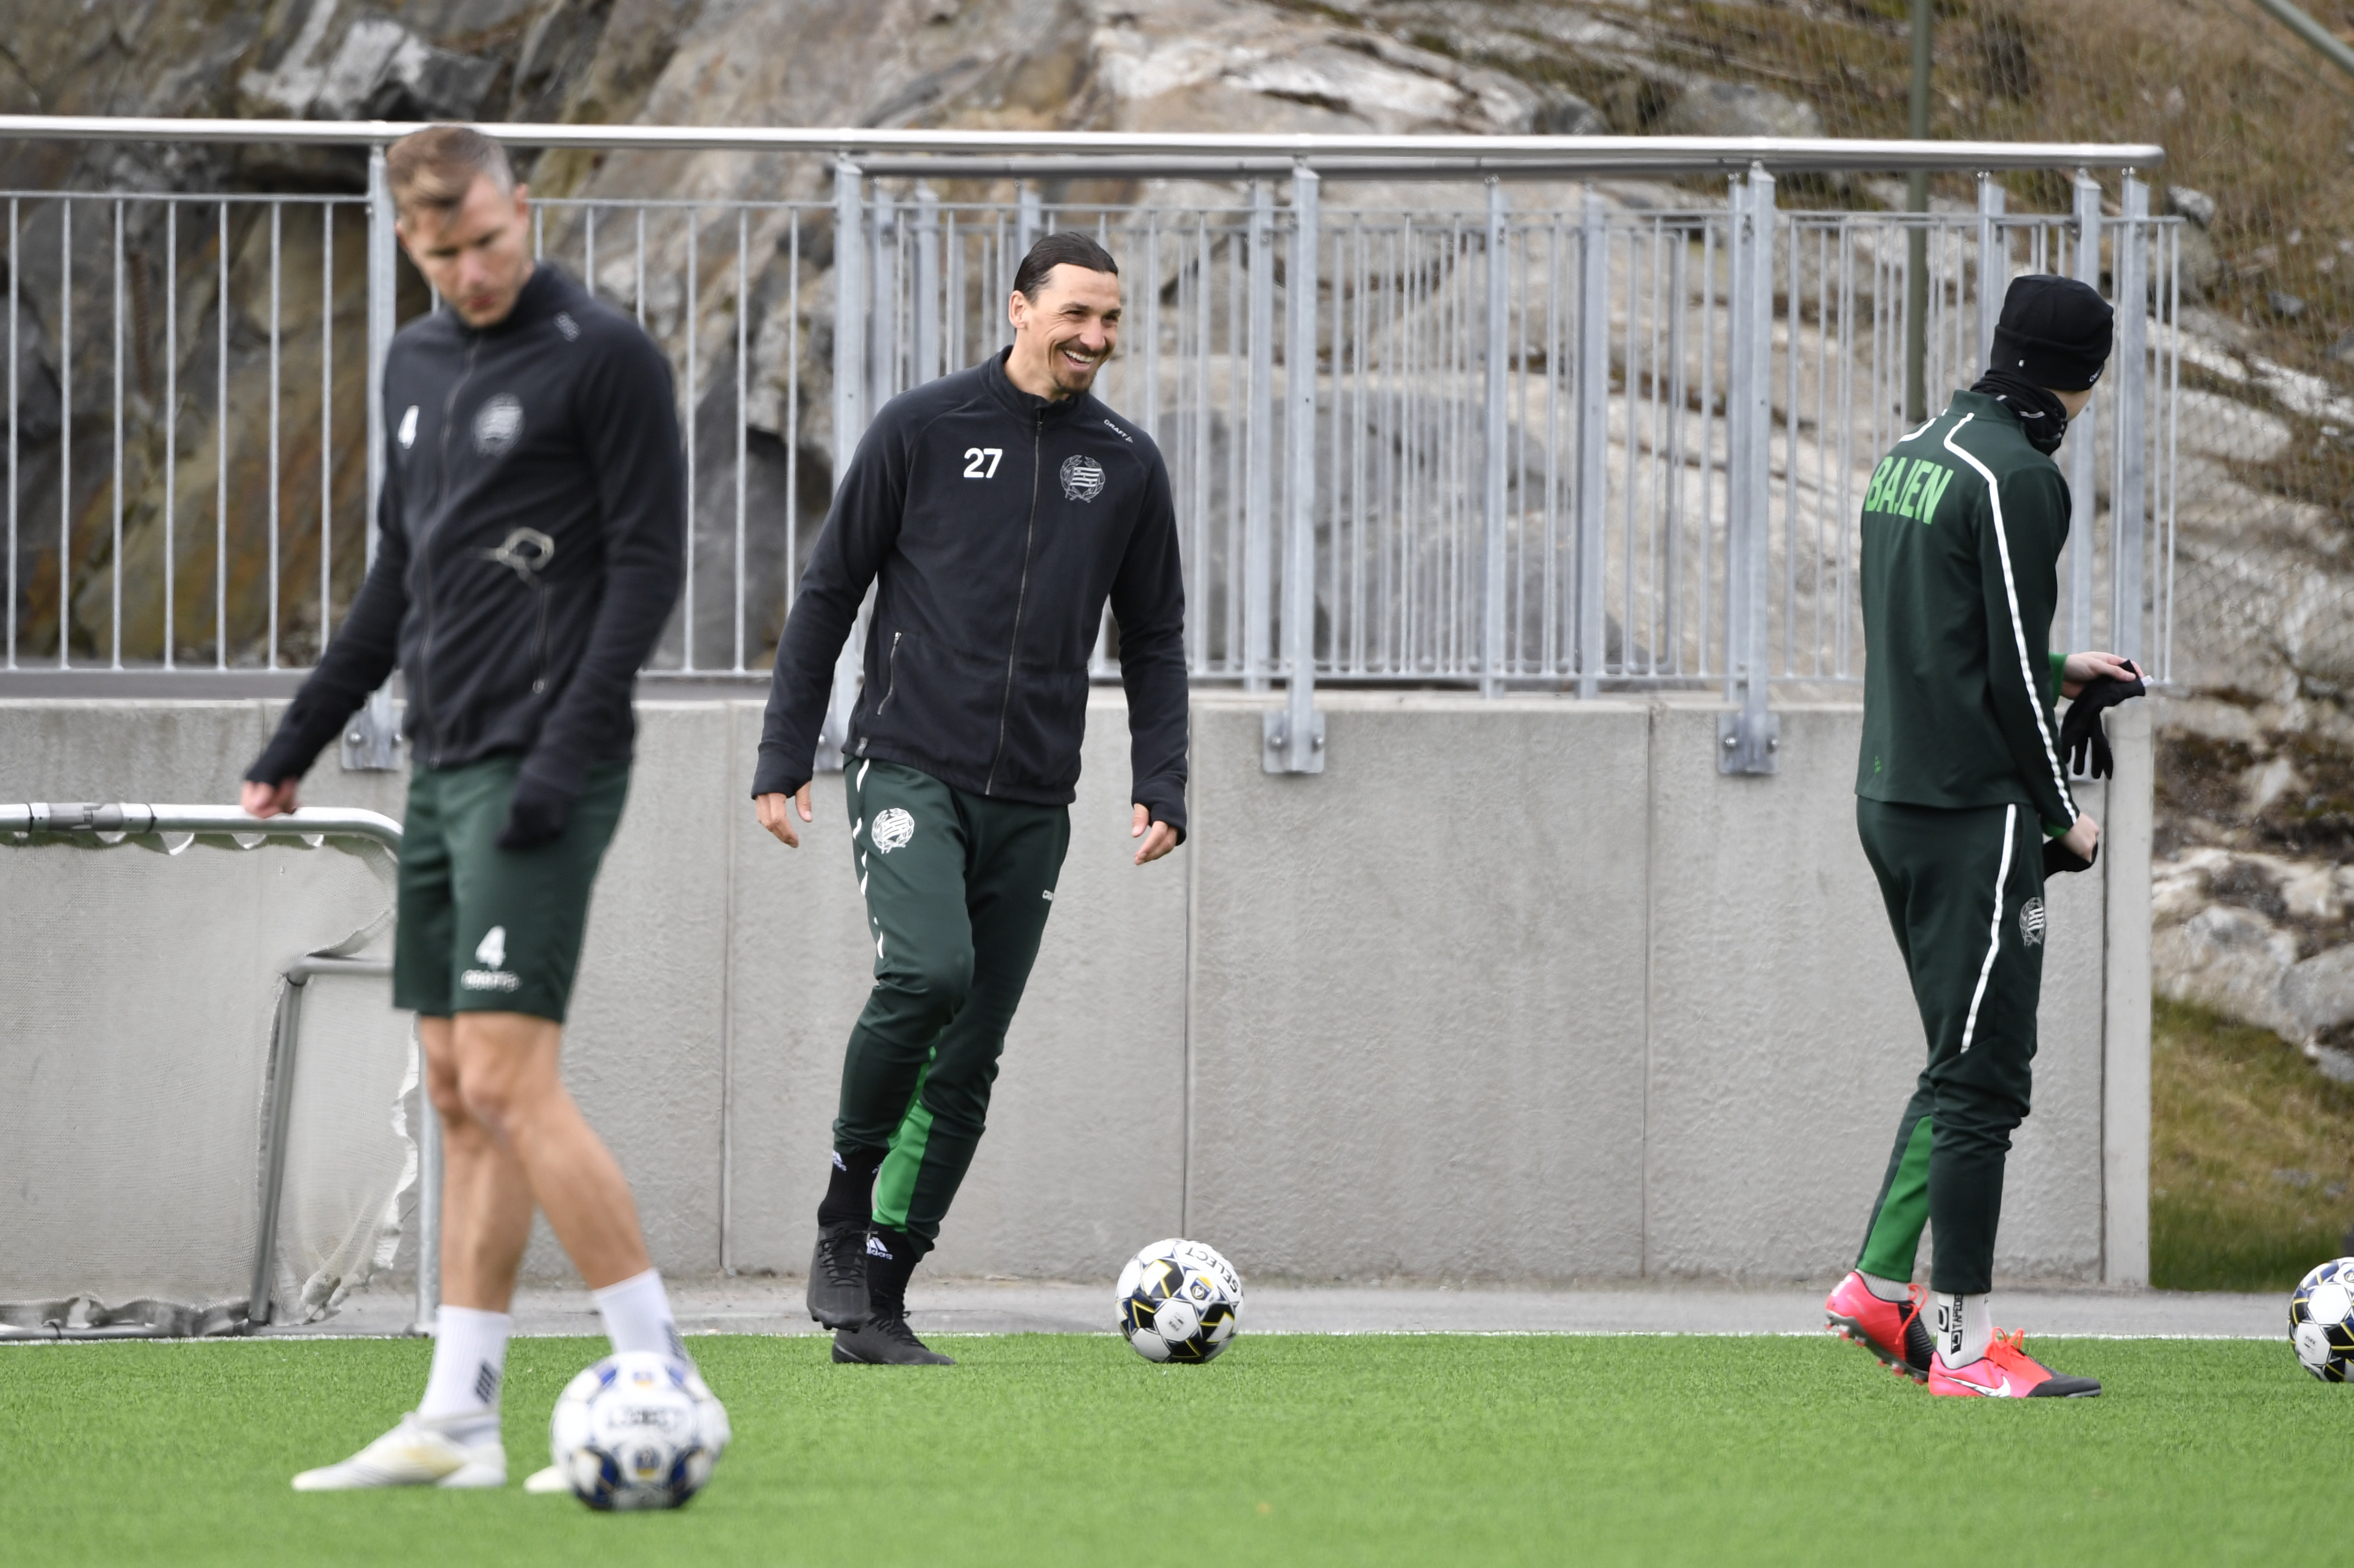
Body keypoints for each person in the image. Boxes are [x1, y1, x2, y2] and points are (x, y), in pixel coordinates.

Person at [242, 125, 690, 1485]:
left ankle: (663, 1379)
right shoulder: (417, 360)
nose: (475, 269)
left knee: (506, 1074)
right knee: (453, 1091)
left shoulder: (605, 353)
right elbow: (399, 574)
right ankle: (460, 1418)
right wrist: (296, 740)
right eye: (443, 252)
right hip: (441, 765)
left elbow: (648, 563)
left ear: (522, 208)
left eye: (491, 239)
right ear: (407, 242)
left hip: (543, 762)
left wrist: (563, 757)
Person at [752, 231, 1188, 1366]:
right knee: (926, 974)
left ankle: (880, 1300)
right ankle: (843, 1213)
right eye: (1074, 314)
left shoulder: (1127, 464)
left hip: (1035, 795)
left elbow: (1152, 635)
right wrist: (783, 751)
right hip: (906, 764)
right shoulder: (922, 428)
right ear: (1018, 308)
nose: (1093, 338)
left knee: (970, 1052)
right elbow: (830, 589)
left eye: (1110, 321)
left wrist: (1162, 779)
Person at [1822, 273, 2143, 1398]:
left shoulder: (1918, 447)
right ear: (2084, 378)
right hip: (1974, 815)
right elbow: (2007, 660)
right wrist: (2061, 816)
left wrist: (2067, 666)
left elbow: (1943, 620)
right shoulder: (2018, 475)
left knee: (1953, 1065)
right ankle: (1961, 1348)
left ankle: (1872, 1287)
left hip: (1893, 796)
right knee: (1984, 1083)